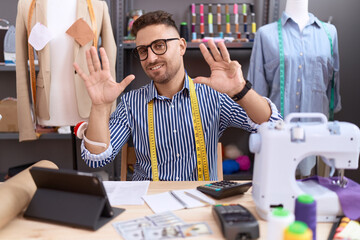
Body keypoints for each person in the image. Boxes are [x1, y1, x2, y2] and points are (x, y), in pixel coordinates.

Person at [74, 10, 282, 181]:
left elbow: (271, 124)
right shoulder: (130, 103)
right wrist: (100, 107)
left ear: (181, 46)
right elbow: (96, 160)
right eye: (143, 50)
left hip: (200, 202)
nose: (151, 58)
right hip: (146, 203)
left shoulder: (214, 97)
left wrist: (240, 90)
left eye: (159, 45)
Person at [247, 0, 341, 176]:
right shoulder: (265, 34)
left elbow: (334, 84)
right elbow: (256, 92)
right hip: (278, 134)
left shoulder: (330, 33)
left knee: (315, 194)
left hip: (318, 134)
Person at [15, 0, 116, 141]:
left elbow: (109, 57)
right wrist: (26, 126)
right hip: (49, 104)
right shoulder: (27, 6)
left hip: (87, 101)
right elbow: (20, 64)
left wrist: (109, 115)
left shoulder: (97, 5)